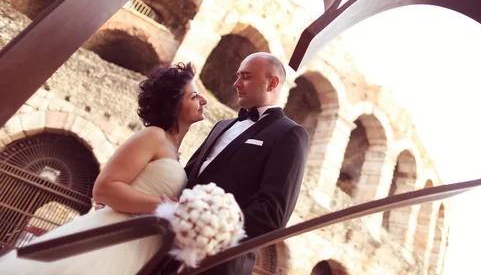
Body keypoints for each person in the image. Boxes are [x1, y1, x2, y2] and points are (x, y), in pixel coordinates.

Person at [0, 62, 207, 275]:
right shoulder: (153, 136)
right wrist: (165, 207)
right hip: (113, 238)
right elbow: (105, 188)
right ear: (173, 104)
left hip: (137, 246)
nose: (204, 100)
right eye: (194, 97)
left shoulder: (174, 150)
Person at [177, 52, 309, 274]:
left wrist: (205, 227)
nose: (236, 83)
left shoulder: (290, 134)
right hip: (169, 251)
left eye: (246, 77)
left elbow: (272, 215)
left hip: (221, 264)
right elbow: (189, 177)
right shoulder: (222, 125)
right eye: (238, 75)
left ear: (272, 83)